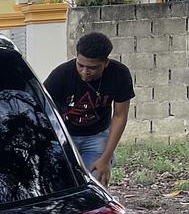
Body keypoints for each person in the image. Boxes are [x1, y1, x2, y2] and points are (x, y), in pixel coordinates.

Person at [44, 31, 135, 185]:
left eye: (92, 68)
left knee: (94, 184)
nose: (85, 71)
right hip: (64, 136)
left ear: (106, 63)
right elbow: (43, 109)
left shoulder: (120, 74)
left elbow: (120, 116)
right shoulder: (61, 75)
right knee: (60, 185)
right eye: (80, 65)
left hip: (97, 136)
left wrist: (106, 158)